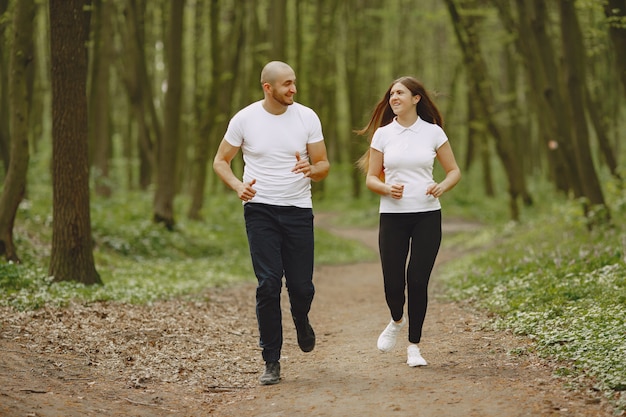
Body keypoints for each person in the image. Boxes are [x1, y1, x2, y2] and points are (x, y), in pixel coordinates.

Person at [213, 61, 330, 385]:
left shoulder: (307, 117)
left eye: (294, 83)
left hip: (297, 210)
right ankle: (271, 360)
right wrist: (238, 186)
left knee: (301, 286)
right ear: (268, 87)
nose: (293, 89)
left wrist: (312, 170)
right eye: (287, 84)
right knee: (267, 284)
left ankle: (301, 318)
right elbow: (221, 161)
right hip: (260, 210)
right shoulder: (245, 119)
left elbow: (323, 165)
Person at [356, 76, 461, 367]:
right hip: (392, 217)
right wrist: (386, 188)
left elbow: (454, 171)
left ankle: (414, 346)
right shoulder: (383, 135)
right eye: (391, 94)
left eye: (400, 93)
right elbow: (371, 178)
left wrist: (442, 185)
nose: (393, 98)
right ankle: (396, 320)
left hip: (427, 215)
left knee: (417, 280)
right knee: (393, 283)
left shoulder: (433, 133)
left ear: (416, 98)